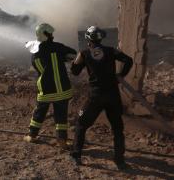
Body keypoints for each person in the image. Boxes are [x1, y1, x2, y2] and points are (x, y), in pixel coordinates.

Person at [70, 26, 133, 170]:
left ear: (88, 39)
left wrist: (76, 60)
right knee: (117, 128)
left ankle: (76, 155)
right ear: (101, 38)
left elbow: (75, 72)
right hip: (113, 95)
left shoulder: (84, 53)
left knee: (81, 123)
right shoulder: (111, 50)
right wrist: (120, 76)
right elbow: (128, 60)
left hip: (95, 96)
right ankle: (119, 160)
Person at [25, 23, 77, 148]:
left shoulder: (34, 52)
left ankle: (31, 135)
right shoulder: (58, 47)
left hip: (45, 89)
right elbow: (73, 53)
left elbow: (41, 67)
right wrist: (64, 57)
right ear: (47, 35)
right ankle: (62, 141)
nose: (53, 35)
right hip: (61, 88)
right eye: (51, 33)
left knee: (39, 112)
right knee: (61, 115)